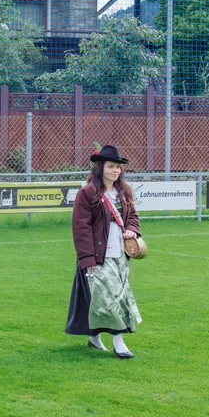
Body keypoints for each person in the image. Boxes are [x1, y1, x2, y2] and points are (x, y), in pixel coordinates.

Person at [65, 145, 143, 359]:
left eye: (118, 167)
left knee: (112, 297)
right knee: (109, 298)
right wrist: (87, 258)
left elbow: (133, 217)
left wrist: (132, 229)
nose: (115, 170)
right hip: (98, 255)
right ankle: (119, 343)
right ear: (100, 168)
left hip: (121, 255)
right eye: (111, 166)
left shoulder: (124, 191)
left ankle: (94, 338)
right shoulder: (87, 193)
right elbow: (81, 228)